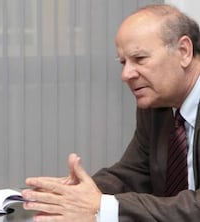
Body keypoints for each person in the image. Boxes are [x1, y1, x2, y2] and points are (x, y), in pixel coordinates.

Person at [21, 3, 200, 222]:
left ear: (184, 51)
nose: (126, 75)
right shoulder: (156, 105)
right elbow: (132, 173)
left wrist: (102, 207)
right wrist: (71, 194)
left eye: (139, 59)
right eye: (123, 62)